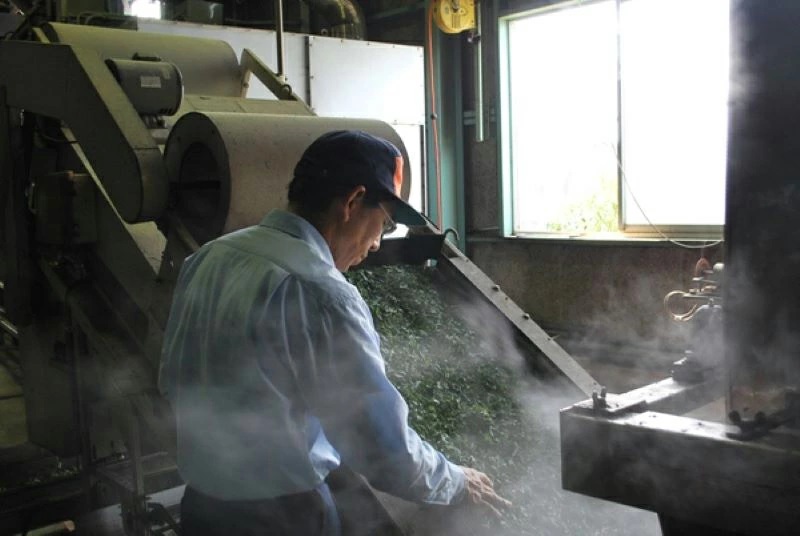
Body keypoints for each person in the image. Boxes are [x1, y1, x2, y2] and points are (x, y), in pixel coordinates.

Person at [158, 130, 510, 535]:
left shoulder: (209, 257)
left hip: (203, 507)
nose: (377, 243)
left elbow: (171, 379)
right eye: (383, 223)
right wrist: (455, 481)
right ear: (352, 202)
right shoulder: (322, 292)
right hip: (284, 518)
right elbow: (381, 448)